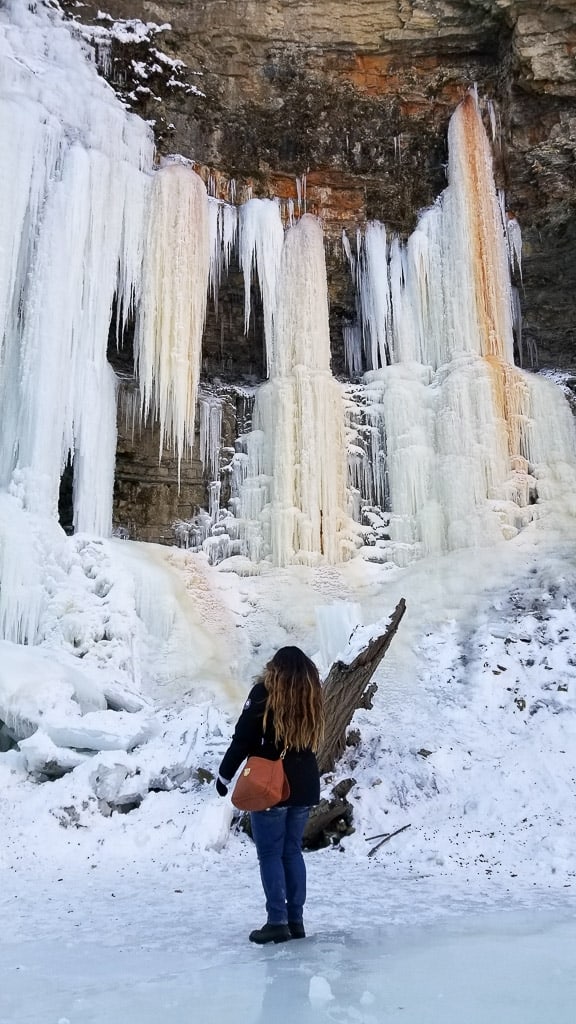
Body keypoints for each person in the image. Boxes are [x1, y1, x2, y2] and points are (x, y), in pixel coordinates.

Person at [216, 645, 324, 945]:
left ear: (274, 669)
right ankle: (296, 920)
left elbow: (242, 738)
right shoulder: (311, 696)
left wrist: (225, 775)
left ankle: (277, 921)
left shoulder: (264, 693)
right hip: (303, 783)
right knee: (291, 851)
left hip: (271, 784)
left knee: (270, 854)